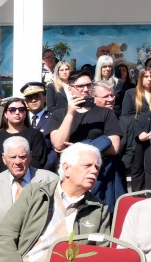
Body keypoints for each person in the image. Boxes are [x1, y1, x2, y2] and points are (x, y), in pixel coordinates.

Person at [0, 143, 109, 262]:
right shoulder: (35, 193)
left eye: (97, 167)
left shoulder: (99, 209)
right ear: (67, 169)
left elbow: (101, 256)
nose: (94, 171)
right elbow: (4, 235)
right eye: (87, 165)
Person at [49, 74, 122, 205]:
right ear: (70, 89)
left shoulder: (106, 113)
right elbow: (58, 144)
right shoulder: (58, 114)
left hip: (97, 177)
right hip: (69, 175)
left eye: (88, 85)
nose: (85, 89)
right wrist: (70, 113)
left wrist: (77, 147)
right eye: (80, 86)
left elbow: (114, 147)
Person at [0, 136, 58, 223]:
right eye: (12, 157)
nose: (18, 162)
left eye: (22, 157)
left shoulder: (50, 180)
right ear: (4, 158)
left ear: (30, 156)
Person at [0, 97, 48, 182]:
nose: (17, 113)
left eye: (21, 109)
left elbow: (37, 162)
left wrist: (18, 178)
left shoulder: (35, 134)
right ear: (5, 113)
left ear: (26, 112)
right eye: (12, 110)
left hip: (27, 184)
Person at [122, 68, 151, 191]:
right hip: (136, 136)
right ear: (140, 78)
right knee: (137, 168)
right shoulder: (130, 93)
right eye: (146, 76)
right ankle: (136, 197)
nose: (149, 79)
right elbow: (126, 115)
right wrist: (139, 132)